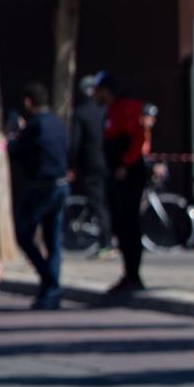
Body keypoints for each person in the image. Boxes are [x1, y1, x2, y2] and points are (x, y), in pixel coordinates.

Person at [8, 81, 70, 310]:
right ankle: (51, 289)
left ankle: (49, 281)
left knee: (24, 234)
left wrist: (15, 135)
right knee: (53, 240)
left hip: (40, 186)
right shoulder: (57, 122)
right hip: (61, 185)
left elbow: (16, 151)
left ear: (28, 102)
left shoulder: (34, 126)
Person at [97, 73, 153, 296]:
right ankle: (128, 273)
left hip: (128, 175)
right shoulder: (110, 111)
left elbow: (137, 138)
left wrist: (125, 165)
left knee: (129, 224)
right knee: (120, 224)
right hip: (116, 173)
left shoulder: (126, 108)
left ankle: (134, 275)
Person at [69, 74, 111, 256]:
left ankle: (105, 243)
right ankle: (109, 240)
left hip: (91, 165)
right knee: (106, 203)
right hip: (109, 163)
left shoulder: (81, 113)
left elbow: (75, 144)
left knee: (97, 203)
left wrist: (71, 166)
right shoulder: (105, 111)